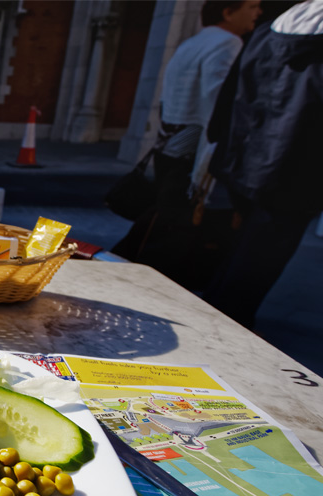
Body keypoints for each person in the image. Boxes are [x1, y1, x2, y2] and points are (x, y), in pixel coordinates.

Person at [202, 0, 323, 328]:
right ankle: (226, 326)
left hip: (246, 158)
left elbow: (231, 94)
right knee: (263, 256)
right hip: (297, 170)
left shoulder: (268, 31)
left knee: (239, 245)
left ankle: (214, 311)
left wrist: (220, 142)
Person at [111, 0, 262, 289]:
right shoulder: (228, 43)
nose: (258, 12)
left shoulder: (189, 44)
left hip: (171, 145)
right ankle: (146, 280)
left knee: (165, 218)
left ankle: (134, 272)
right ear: (228, 11)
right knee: (179, 227)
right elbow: (217, 105)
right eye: (252, 6)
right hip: (193, 154)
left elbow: (168, 99)